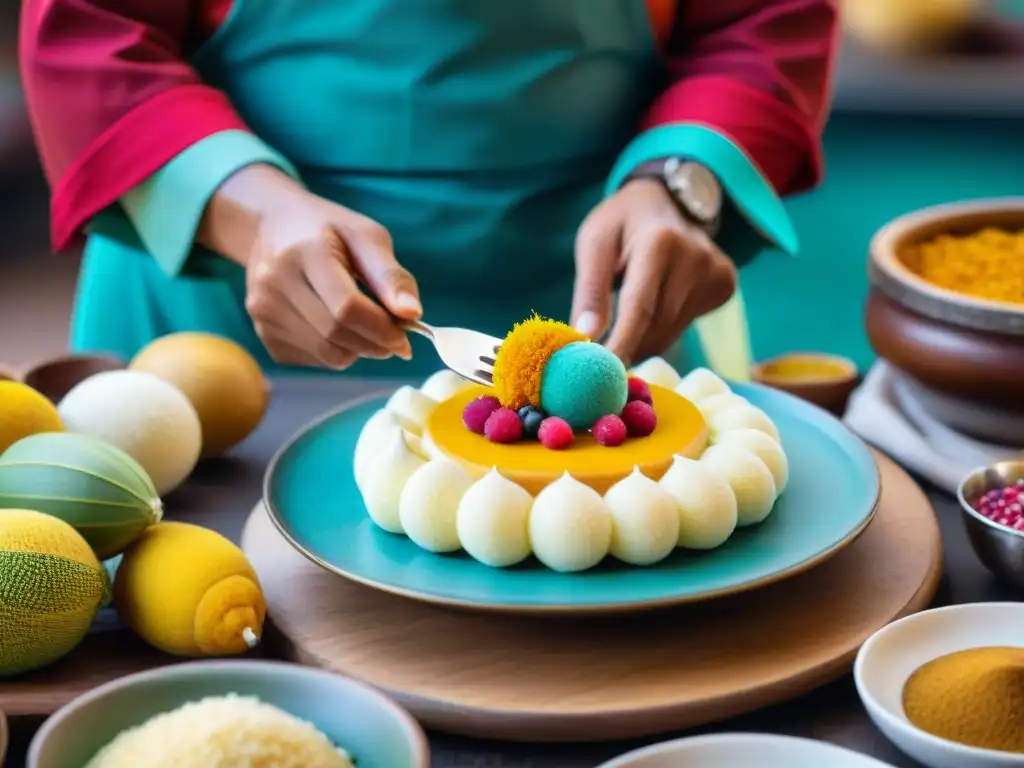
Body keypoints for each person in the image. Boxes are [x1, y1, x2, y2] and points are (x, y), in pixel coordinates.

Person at [20, 0, 837, 377]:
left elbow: (758, 26)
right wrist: (253, 209)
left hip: (606, 309)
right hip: (220, 324)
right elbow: (93, 32)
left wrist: (678, 184)